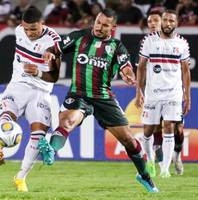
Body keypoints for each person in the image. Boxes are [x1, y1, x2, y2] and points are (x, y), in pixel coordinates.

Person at [34, 8, 159, 193]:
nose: (99, 27)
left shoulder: (117, 46)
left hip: (103, 98)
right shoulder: (79, 37)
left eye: (105, 25)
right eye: (98, 22)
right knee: (67, 122)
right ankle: (51, 151)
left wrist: (128, 75)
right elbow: (57, 46)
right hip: (78, 95)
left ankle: (144, 176)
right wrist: (50, 52)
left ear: (113, 27)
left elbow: (126, 66)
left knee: (129, 141)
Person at [0, 6, 61, 192]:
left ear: (42, 24)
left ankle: (20, 177)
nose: (29, 33)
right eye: (26, 28)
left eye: (34, 29)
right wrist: (0, 147)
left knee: (39, 135)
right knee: (6, 118)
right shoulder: (18, 31)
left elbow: (54, 77)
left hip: (40, 91)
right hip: (17, 86)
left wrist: (40, 70)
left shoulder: (53, 41)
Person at [135, 9, 191, 178]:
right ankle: (150, 160)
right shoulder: (149, 41)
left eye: (171, 21)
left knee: (171, 127)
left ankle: (165, 169)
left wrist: (187, 95)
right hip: (153, 93)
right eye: (165, 20)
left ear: (176, 23)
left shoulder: (182, 43)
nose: (167, 24)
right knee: (148, 131)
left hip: (173, 93)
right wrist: (139, 91)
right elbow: (141, 67)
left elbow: (186, 71)